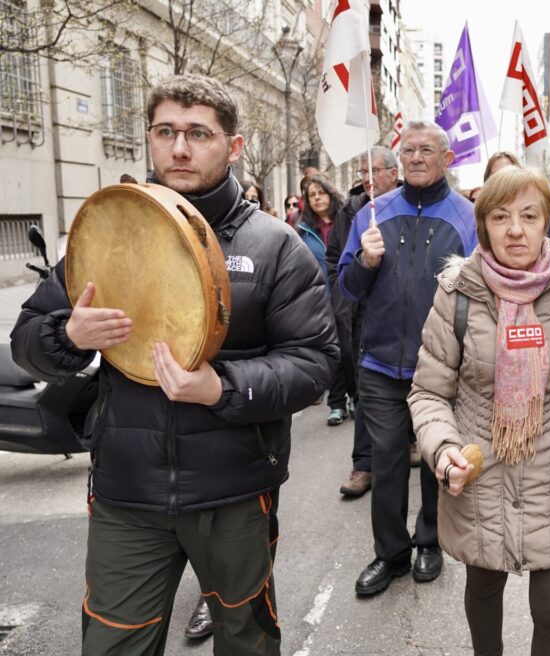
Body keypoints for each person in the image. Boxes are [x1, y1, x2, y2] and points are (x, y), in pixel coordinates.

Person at [10, 73, 337, 655]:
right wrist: (69, 333)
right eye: (166, 131)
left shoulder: (275, 245)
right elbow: (27, 340)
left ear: (233, 146)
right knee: (112, 645)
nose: (179, 148)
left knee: (246, 641)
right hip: (126, 492)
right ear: (150, 138)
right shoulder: (110, 228)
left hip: (235, 490)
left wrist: (221, 387)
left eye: (198, 134)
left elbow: (313, 365)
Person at [407, 166, 550, 656]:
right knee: (483, 589)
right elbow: (429, 392)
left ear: (548, 221)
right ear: (484, 226)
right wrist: (443, 451)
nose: (516, 229)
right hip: (480, 471)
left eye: (529, 215)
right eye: (501, 217)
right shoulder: (457, 291)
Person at [339, 119, 477, 596]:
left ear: (447, 159)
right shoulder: (372, 213)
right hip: (379, 364)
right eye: (409, 151)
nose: (416, 158)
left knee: (438, 458)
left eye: (426, 150)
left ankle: (430, 541)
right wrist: (366, 262)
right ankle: (390, 554)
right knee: (388, 458)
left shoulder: (467, 217)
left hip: (441, 367)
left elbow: (483, 295)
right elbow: (347, 288)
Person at [327, 146, 403, 498]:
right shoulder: (351, 210)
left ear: (392, 172)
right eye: (363, 171)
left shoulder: (409, 206)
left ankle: (414, 440)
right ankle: (363, 465)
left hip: (399, 312)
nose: (367, 179)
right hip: (358, 310)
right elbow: (335, 257)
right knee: (365, 388)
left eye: (374, 171)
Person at [296, 173, 352, 428]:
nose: (317, 199)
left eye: (321, 193)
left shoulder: (347, 219)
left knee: (350, 350)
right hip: (320, 300)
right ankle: (337, 404)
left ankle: (354, 396)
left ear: (331, 194)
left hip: (349, 295)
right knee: (333, 352)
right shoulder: (303, 230)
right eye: (312, 195)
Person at [483, 151, 550, 245]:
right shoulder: (479, 221)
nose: (515, 231)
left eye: (529, 217)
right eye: (500, 218)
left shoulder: (547, 215)